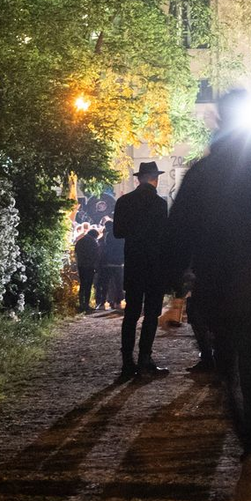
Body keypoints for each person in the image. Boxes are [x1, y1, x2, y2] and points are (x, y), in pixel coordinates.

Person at [163, 90, 251, 501]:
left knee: (229, 364)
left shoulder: (204, 173)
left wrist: (177, 275)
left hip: (222, 280)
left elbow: (180, 230)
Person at [112, 161, 171, 381]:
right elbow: (165, 237)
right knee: (151, 315)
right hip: (154, 266)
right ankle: (146, 359)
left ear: (138, 178)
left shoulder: (124, 202)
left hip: (134, 264)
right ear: (155, 178)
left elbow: (118, 233)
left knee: (131, 315)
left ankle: (128, 362)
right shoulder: (159, 204)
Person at [96, 215, 125, 309]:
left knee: (105, 283)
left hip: (108, 263)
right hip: (118, 263)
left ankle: (102, 302)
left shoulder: (107, 235)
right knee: (118, 284)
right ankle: (118, 302)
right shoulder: (121, 236)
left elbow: (104, 249)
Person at [73, 224, 100, 314]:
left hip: (81, 265)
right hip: (90, 266)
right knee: (88, 285)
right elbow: (96, 255)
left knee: (82, 285)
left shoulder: (80, 241)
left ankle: (81, 304)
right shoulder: (93, 242)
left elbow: (76, 252)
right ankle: (86, 304)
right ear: (95, 235)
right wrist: (96, 266)